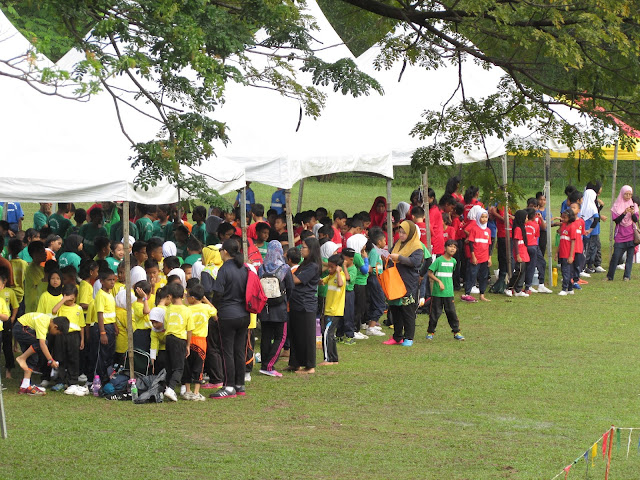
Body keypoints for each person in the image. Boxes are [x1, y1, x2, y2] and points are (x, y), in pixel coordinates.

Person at [210, 239, 250, 398]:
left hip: (228, 315)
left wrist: (215, 309)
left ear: (225, 252)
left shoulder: (224, 270)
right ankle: (240, 385)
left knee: (227, 352)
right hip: (244, 314)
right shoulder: (244, 268)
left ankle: (229, 386)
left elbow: (217, 294)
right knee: (239, 351)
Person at [382, 220, 424, 347]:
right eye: (400, 232)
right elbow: (391, 254)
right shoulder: (398, 244)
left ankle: (409, 337)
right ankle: (397, 336)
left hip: (408, 283)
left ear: (411, 233)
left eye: (404, 233)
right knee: (395, 309)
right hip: (395, 281)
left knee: (408, 311)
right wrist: (386, 257)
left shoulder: (417, 247)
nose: (401, 235)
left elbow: (416, 262)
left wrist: (399, 258)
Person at [258, 241, 293, 377]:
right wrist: (284, 299)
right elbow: (290, 288)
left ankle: (263, 364)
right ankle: (269, 365)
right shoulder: (284, 269)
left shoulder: (261, 268)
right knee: (281, 337)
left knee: (266, 336)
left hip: (265, 307)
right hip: (280, 308)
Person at [287, 237, 321, 374]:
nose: (301, 249)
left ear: (311, 250)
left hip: (306, 304)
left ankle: (310, 366)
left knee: (307, 337)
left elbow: (295, 280)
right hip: (296, 303)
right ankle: (295, 363)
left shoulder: (313, 266)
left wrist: (284, 273)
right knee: (295, 335)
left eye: (304, 247)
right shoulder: (304, 264)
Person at [14, 312, 69, 395]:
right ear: (55, 326)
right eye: (57, 333)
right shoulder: (43, 322)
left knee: (33, 358)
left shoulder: (47, 322)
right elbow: (42, 344)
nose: (56, 335)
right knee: (42, 344)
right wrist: (51, 360)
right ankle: (22, 358)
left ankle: (24, 386)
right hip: (21, 328)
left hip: (27, 329)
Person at [51, 284, 88, 396]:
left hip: (74, 335)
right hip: (61, 335)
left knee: (73, 358)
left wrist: (82, 339)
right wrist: (63, 300)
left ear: (75, 297)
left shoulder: (78, 309)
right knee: (60, 357)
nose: (69, 300)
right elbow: (53, 311)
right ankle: (60, 381)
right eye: (67, 298)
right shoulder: (61, 306)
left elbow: (82, 325)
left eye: (72, 298)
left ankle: (73, 381)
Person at [425, 239, 465, 341]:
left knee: (451, 312)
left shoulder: (454, 261)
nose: (452, 249)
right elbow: (430, 273)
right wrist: (439, 281)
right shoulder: (439, 260)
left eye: (455, 247)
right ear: (445, 248)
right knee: (435, 313)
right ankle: (430, 332)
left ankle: (456, 332)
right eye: (450, 246)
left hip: (449, 293)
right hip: (437, 293)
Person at [183, 283, 216, 401]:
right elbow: (215, 313)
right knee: (199, 366)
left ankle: (187, 391)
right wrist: (205, 300)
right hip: (201, 341)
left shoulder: (187, 309)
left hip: (187, 339)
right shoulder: (206, 308)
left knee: (187, 365)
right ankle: (196, 392)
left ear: (192, 298)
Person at [162, 282, 194, 402]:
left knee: (170, 366)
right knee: (179, 368)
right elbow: (189, 329)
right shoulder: (187, 310)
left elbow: (165, 325)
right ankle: (170, 389)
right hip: (179, 339)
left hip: (168, 338)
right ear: (183, 295)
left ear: (170, 296)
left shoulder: (168, 309)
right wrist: (188, 345)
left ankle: (166, 388)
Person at [318, 254, 345, 366]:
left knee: (326, 333)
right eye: (328, 266)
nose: (329, 269)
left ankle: (327, 359)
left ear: (338, 267)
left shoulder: (340, 276)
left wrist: (338, 272)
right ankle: (334, 359)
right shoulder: (330, 276)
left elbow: (340, 283)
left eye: (332, 267)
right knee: (330, 335)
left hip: (334, 311)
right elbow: (322, 281)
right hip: (328, 310)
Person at [606, 185, 638, 281]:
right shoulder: (617, 205)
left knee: (629, 258)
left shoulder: (634, 205)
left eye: (630, 194)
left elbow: (635, 220)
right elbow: (616, 220)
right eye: (626, 194)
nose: (628, 196)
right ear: (622, 194)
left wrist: (632, 213)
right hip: (620, 234)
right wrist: (624, 213)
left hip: (631, 234)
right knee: (616, 256)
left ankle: (627, 276)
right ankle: (610, 276)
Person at [92, 269, 118, 381]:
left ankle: (106, 377)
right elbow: (100, 315)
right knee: (100, 355)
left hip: (111, 326)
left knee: (109, 354)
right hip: (103, 327)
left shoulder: (110, 294)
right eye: (109, 280)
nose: (112, 282)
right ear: (102, 281)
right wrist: (103, 333)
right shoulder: (101, 295)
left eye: (113, 280)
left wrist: (115, 325)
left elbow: (111, 312)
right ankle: (96, 378)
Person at [462, 206, 491, 302]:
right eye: (482, 217)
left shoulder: (488, 231)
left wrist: (489, 258)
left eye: (485, 217)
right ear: (478, 217)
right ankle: (467, 294)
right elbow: (471, 243)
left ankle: (482, 294)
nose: (484, 219)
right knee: (472, 275)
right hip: (476, 257)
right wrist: (473, 256)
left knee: (484, 276)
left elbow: (489, 245)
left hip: (485, 257)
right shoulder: (474, 229)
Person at [505, 210, 530, 298]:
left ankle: (518, 289)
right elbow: (515, 241)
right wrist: (518, 255)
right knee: (518, 271)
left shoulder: (522, 227)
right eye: (526, 217)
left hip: (524, 251)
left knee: (523, 270)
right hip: (520, 252)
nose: (527, 219)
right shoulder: (518, 229)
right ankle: (509, 287)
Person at [558, 208, 577, 295]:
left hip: (567, 253)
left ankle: (564, 288)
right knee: (565, 270)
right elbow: (561, 240)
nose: (563, 219)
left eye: (565, 218)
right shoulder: (563, 226)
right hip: (562, 252)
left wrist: (571, 256)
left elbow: (573, 242)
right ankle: (570, 288)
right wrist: (557, 252)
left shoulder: (572, 227)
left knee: (566, 271)